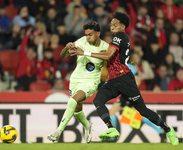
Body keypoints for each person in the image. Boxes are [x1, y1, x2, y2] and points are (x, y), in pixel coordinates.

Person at [70, 11, 179, 145]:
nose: (112, 26)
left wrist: (84, 52)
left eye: (115, 24)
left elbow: (108, 55)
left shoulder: (121, 36)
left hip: (124, 79)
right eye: (111, 24)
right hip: (113, 80)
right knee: (98, 100)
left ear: (123, 26)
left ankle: (168, 130)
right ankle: (112, 129)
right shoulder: (116, 38)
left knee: (142, 110)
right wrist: (85, 50)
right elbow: (107, 53)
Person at [47, 21, 109, 143]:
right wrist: (67, 48)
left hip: (91, 82)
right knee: (76, 110)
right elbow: (63, 55)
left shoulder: (105, 47)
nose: (88, 37)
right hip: (75, 80)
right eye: (86, 34)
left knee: (72, 101)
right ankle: (87, 125)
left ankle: (57, 132)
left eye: (90, 34)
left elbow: (108, 57)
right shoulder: (81, 41)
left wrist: (84, 52)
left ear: (98, 33)